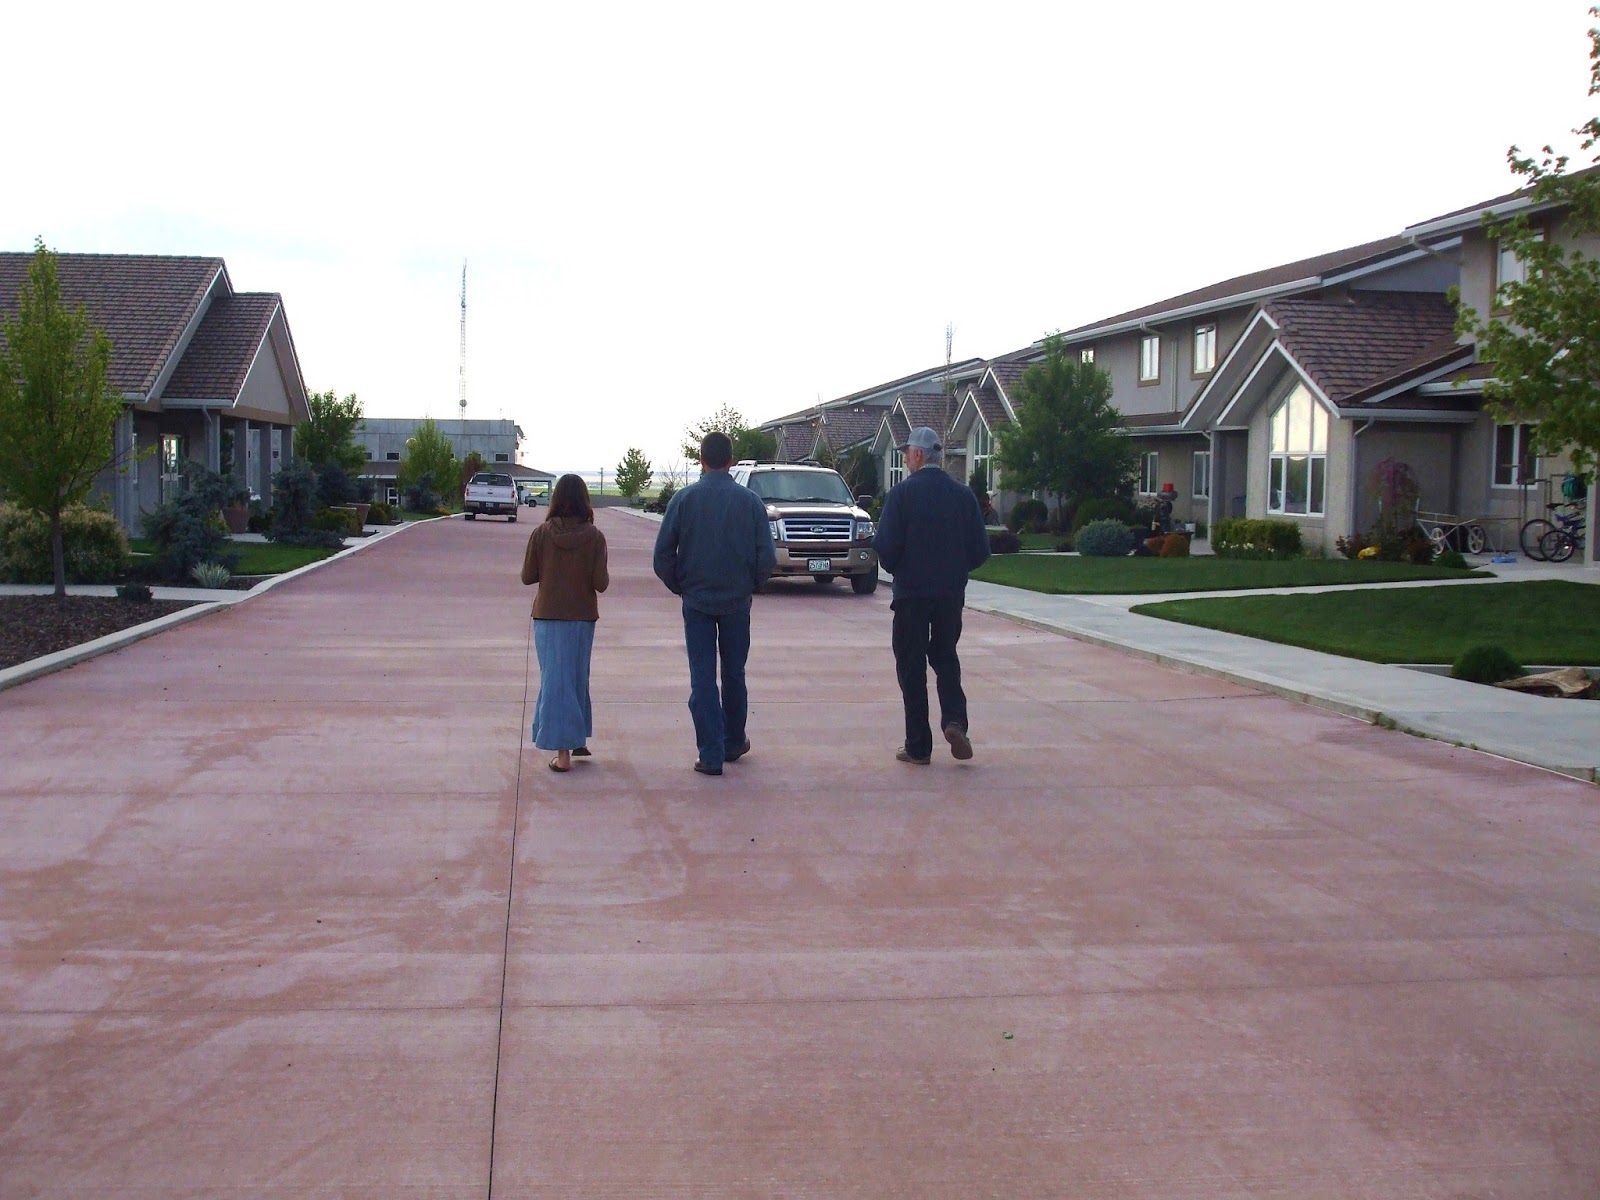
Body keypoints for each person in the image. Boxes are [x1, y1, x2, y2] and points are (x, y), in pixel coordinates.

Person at [652, 431, 776, 776]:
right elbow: (767, 556)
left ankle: (710, 753)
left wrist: (682, 586)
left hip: (698, 601)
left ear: (701, 459)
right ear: (731, 461)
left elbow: (662, 555)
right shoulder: (750, 502)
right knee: (734, 673)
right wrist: (752, 584)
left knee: (703, 678)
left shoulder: (683, 500)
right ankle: (734, 741)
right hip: (737, 602)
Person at [872, 426, 991, 765]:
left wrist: (900, 567)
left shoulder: (902, 495)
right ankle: (955, 721)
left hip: (911, 595)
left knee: (911, 667)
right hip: (949, 595)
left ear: (919, 455)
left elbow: (886, 547)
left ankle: (918, 745)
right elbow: (981, 550)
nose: (905, 457)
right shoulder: (964, 496)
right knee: (945, 657)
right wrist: (955, 569)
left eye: (907, 452)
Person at [521, 474, 610, 773]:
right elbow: (601, 583)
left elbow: (527, 576)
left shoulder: (541, 534)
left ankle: (563, 755)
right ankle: (576, 737)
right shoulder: (595, 537)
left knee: (555, 680)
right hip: (583, 615)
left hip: (548, 614)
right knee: (575, 676)